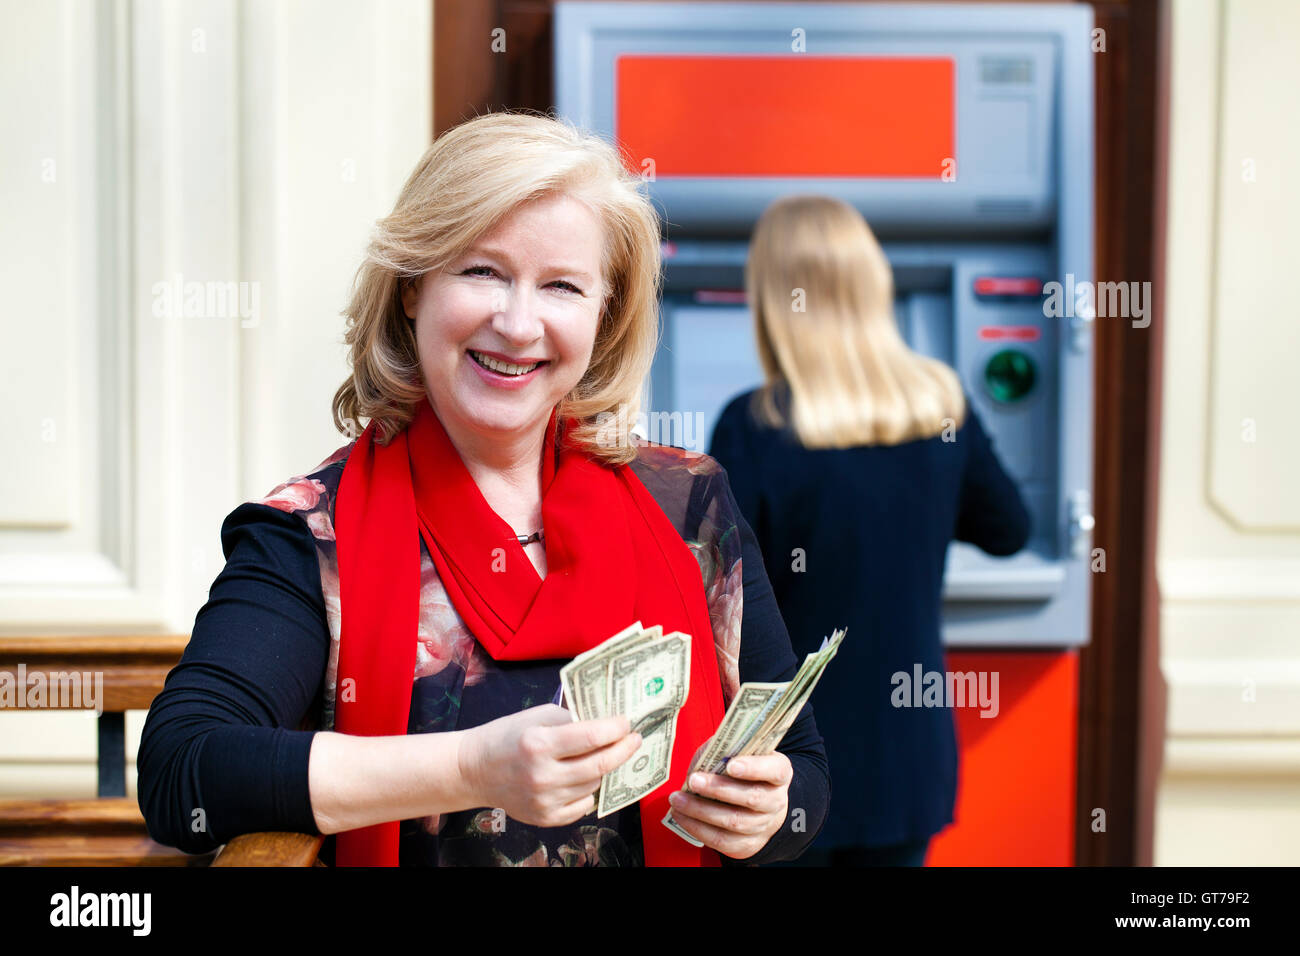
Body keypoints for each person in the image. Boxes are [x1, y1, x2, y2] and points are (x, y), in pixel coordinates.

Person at [136, 111, 828, 867]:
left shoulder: (692, 503)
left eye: (562, 286)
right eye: (481, 272)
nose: (518, 323)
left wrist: (769, 809)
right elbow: (181, 771)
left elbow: (802, 766)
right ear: (411, 288)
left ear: (605, 313)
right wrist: (470, 769)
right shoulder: (307, 534)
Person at [708, 195, 1030, 867]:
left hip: (788, 766)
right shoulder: (940, 406)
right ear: (872, 285)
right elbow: (1010, 529)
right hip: (905, 760)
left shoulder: (754, 424)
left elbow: (723, 598)